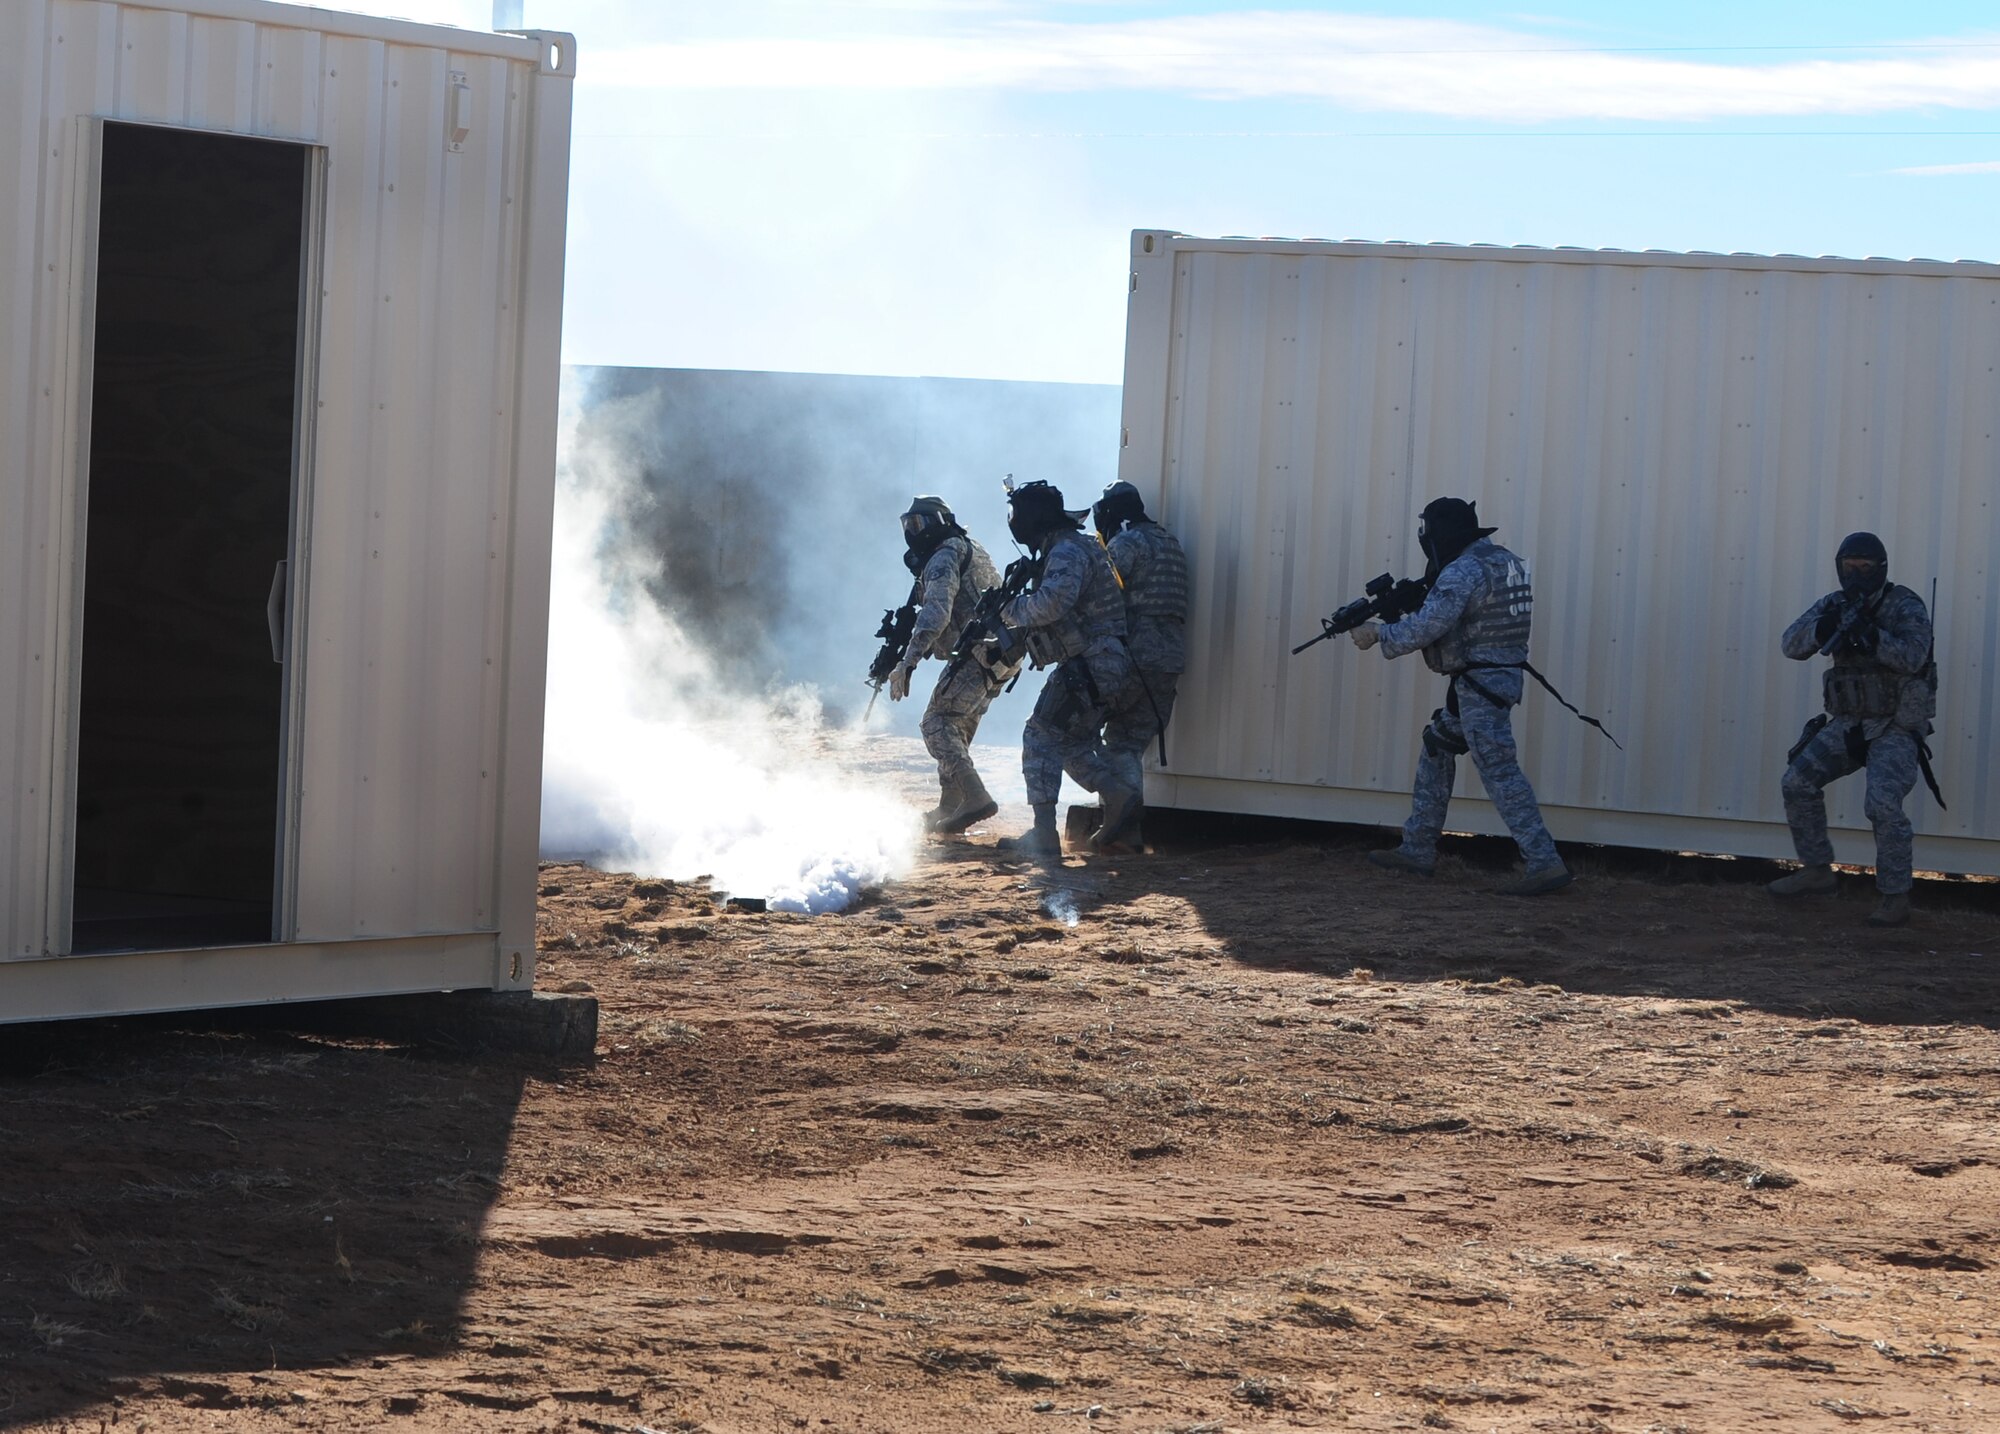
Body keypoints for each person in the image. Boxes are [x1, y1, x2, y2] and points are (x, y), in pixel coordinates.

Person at [1348, 497, 1572, 896]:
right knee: (1438, 746)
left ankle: (1544, 861)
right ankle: (1417, 848)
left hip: (1481, 686)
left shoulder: (1464, 570)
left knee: (1499, 770)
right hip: (1492, 679)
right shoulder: (1504, 561)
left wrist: (1379, 633)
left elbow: (1427, 627)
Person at [1767, 532, 1934, 927]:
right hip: (1848, 722)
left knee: (1882, 805)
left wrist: (1873, 637)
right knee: (1797, 783)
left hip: (1893, 726)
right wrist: (1823, 628)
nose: (1856, 575)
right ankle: (1817, 871)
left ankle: (1894, 898)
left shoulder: (1904, 604)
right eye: (1849, 567)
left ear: (1881, 568)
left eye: (1865, 567)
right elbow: (1790, 645)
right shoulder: (1834, 603)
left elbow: (1914, 657)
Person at [988, 480, 1143, 857]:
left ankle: (1044, 834)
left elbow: (1051, 604)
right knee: (1070, 743)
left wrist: (1007, 611)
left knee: (1039, 735)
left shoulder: (1067, 550)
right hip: (1101, 663)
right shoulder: (1074, 546)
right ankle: (1117, 794)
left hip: (1092, 662)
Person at [885, 495, 1016, 834]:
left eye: (919, 524)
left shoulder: (943, 556)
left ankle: (974, 796)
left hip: (979, 650)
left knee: (936, 722)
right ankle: (951, 804)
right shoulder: (967, 546)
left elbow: (936, 614)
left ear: (938, 523)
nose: (913, 532)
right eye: (908, 525)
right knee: (955, 724)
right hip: (1000, 651)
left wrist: (908, 661)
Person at [1094, 481, 1189, 845]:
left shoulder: (1128, 543)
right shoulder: (1170, 543)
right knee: (1131, 745)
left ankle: (1122, 827)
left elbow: (1099, 592)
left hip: (1136, 656)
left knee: (1114, 741)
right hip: (1169, 658)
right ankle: (1128, 833)